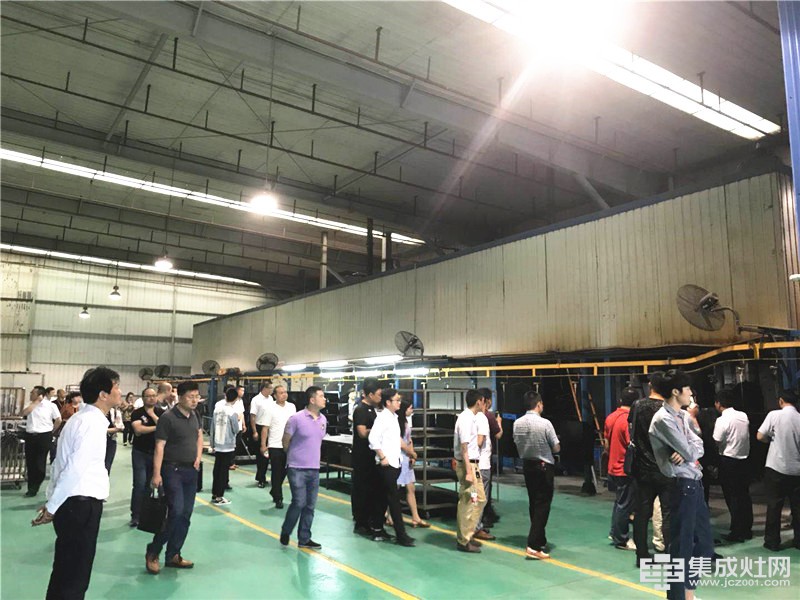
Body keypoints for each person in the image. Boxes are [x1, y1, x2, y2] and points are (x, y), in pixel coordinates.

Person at [33, 366, 121, 600]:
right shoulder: (91, 423)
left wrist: (53, 500)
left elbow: (60, 465)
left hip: (72, 505)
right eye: (116, 387)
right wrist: (52, 506)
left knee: (65, 570)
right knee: (75, 576)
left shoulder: (82, 419)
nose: (120, 392)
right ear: (103, 394)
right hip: (81, 506)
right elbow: (74, 469)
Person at [648, 369, 714, 600]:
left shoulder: (683, 416)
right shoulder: (663, 419)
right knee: (681, 546)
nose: (691, 394)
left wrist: (687, 451)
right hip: (680, 484)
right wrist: (687, 451)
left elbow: (698, 447)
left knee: (704, 543)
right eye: (687, 389)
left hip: (694, 482)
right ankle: (679, 595)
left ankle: (688, 591)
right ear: (676, 392)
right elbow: (689, 450)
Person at [145, 381, 203, 575]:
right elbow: (159, 446)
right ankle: (154, 550)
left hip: (191, 471)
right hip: (172, 470)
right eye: (190, 397)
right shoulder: (167, 418)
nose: (194, 400)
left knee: (186, 515)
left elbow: (199, 436)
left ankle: (173, 554)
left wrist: (198, 457)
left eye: (197, 396)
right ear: (180, 397)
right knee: (176, 512)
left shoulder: (195, 415)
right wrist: (156, 473)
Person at [629, 371, 672, 566]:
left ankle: (642, 555)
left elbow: (632, 431)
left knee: (642, 513)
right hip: (666, 467)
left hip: (642, 468)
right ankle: (671, 553)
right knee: (668, 513)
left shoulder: (638, 405)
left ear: (650, 386)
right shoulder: (668, 408)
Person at [279, 386, 328, 549]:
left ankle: (304, 538)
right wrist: (293, 456)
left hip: (314, 468)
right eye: (321, 396)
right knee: (299, 502)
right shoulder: (296, 419)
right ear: (312, 400)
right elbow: (286, 441)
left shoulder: (323, 420)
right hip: (297, 468)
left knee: (310, 505)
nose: (324, 399)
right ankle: (286, 530)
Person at [513, 391, 560, 560]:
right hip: (543, 467)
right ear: (538, 404)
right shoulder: (545, 423)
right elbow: (556, 447)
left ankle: (540, 539)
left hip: (527, 466)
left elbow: (516, 442)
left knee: (534, 503)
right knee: (543, 505)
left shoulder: (517, 423)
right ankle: (533, 545)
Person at [368, 388, 416, 547]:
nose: (399, 403)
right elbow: (373, 438)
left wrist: (408, 453)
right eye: (397, 400)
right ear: (388, 402)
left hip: (395, 463)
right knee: (393, 500)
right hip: (386, 465)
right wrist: (382, 457)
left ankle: (377, 530)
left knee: (382, 498)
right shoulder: (383, 418)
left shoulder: (393, 417)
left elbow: (396, 440)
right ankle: (401, 535)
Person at [757, 389, 800, 551]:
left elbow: (760, 436)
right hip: (797, 470)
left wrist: (772, 440)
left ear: (781, 401)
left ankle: (772, 541)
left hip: (776, 468)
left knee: (774, 506)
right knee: (798, 507)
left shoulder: (774, 415)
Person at [712, 388, 753, 543]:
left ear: (718, 403)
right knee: (744, 495)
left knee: (732, 496)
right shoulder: (743, 415)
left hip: (728, 460)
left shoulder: (722, 420)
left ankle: (736, 531)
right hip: (744, 459)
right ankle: (746, 529)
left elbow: (717, 440)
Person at [604, 387, 640, 550]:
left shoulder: (611, 417)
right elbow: (631, 444)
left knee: (619, 502)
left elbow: (606, 443)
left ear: (620, 400)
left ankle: (614, 532)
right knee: (625, 504)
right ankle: (621, 539)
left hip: (613, 465)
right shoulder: (628, 420)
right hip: (625, 468)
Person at [454, 389, 487, 553]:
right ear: (479, 401)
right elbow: (464, 448)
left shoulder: (471, 418)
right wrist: (468, 471)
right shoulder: (466, 419)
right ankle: (463, 540)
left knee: (479, 499)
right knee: (468, 501)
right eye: (484, 401)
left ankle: (468, 532)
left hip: (474, 465)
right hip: (469, 466)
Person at [351, 377, 384, 537]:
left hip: (372, 457)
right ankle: (360, 522)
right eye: (378, 394)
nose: (380, 397)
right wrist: (379, 430)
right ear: (370, 395)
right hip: (362, 457)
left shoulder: (373, 410)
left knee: (372, 490)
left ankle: (370, 520)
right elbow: (362, 433)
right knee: (361, 489)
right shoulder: (361, 410)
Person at [128, 388, 163, 528]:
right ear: (143, 398)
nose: (151, 398)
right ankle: (135, 515)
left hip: (156, 453)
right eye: (148, 396)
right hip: (140, 453)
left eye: (154, 396)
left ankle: (147, 514)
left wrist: (152, 416)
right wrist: (156, 427)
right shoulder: (137, 413)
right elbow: (138, 430)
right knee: (139, 484)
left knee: (152, 484)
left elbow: (165, 428)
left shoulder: (161, 413)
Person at [22, 385, 62, 497]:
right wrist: (35, 403)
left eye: (33, 393)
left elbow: (58, 419)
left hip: (44, 436)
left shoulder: (51, 405)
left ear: (40, 394)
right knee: (30, 462)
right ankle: (31, 488)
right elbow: (24, 413)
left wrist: (52, 431)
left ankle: (37, 482)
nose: (30, 394)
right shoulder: (29, 404)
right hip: (30, 436)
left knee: (40, 462)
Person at [396, 400, 430, 528]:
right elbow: (400, 443)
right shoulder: (396, 423)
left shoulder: (406, 423)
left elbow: (409, 440)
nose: (412, 410)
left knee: (411, 488)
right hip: (399, 458)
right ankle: (389, 516)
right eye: (410, 408)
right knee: (395, 489)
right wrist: (412, 453)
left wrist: (412, 455)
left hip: (407, 459)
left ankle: (416, 517)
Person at [262, 384, 296, 508]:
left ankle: (274, 490)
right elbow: (265, 428)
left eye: (285, 392)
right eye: (281, 393)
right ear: (275, 395)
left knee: (285, 471)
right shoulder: (269, 408)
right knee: (276, 472)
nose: (284, 395)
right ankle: (278, 498)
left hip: (289, 444)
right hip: (275, 444)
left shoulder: (292, 407)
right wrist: (263, 445)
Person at [211, 387, 244, 505]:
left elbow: (212, 427)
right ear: (235, 399)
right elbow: (236, 429)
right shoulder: (232, 412)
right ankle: (219, 497)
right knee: (223, 471)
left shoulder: (217, 410)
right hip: (228, 445)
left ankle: (215, 493)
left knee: (217, 469)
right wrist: (238, 419)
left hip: (218, 444)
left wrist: (212, 443)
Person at [473, 391, 496, 542]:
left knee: (473, 497)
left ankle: (473, 526)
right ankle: (476, 527)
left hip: (474, 464)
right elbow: (479, 442)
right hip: (482, 464)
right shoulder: (482, 418)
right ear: (481, 401)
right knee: (481, 498)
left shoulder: (466, 417)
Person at [478, 387, 502, 527]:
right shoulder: (488, 416)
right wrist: (499, 423)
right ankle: (483, 520)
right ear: (486, 400)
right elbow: (498, 434)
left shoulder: (468, 416)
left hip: (472, 460)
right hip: (484, 460)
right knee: (485, 491)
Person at [250, 381, 274, 488]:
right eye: (270, 388)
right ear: (264, 388)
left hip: (269, 428)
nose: (271, 390)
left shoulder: (271, 399)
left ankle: (261, 476)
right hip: (259, 427)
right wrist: (254, 431)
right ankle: (261, 479)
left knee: (267, 455)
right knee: (261, 455)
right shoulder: (256, 400)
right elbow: (252, 416)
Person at [105, 402, 124, 473]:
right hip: (98, 441)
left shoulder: (116, 412)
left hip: (111, 440)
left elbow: (120, 427)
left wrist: (107, 430)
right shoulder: (98, 412)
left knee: (107, 465)